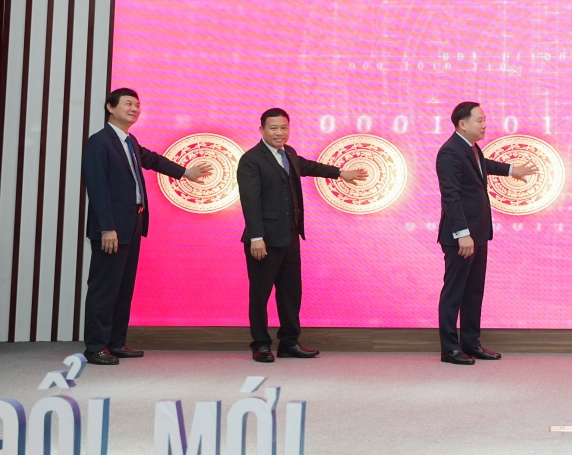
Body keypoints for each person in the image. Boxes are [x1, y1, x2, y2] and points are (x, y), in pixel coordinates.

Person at [81, 88, 213, 365]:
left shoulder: (129, 141)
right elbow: (98, 187)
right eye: (128, 104)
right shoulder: (99, 142)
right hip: (112, 229)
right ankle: (95, 346)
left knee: (123, 287)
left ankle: (116, 342)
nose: (135, 109)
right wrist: (106, 228)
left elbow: (152, 160)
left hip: (132, 224)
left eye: (138, 105)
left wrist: (186, 172)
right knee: (104, 288)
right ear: (110, 107)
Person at [237, 107, 367, 363]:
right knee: (260, 295)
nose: (279, 132)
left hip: (290, 237)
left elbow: (309, 166)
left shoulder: (289, 153)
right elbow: (249, 202)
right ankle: (261, 344)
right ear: (261, 129)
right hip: (264, 240)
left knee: (290, 293)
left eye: (284, 127)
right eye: (273, 128)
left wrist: (341, 173)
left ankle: (289, 342)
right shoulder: (251, 159)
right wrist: (256, 237)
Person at [436, 102, 537, 365]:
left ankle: (471, 343)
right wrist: (462, 233)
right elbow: (451, 196)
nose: (484, 125)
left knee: (473, 292)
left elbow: (482, 165)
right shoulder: (449, 152)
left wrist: (512, 170)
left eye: (484, 120)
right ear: (462, 124)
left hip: (478, 233)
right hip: (462, 237)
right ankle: (450, 349)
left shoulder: (471, 147)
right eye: (479, 120)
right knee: (454, 292)